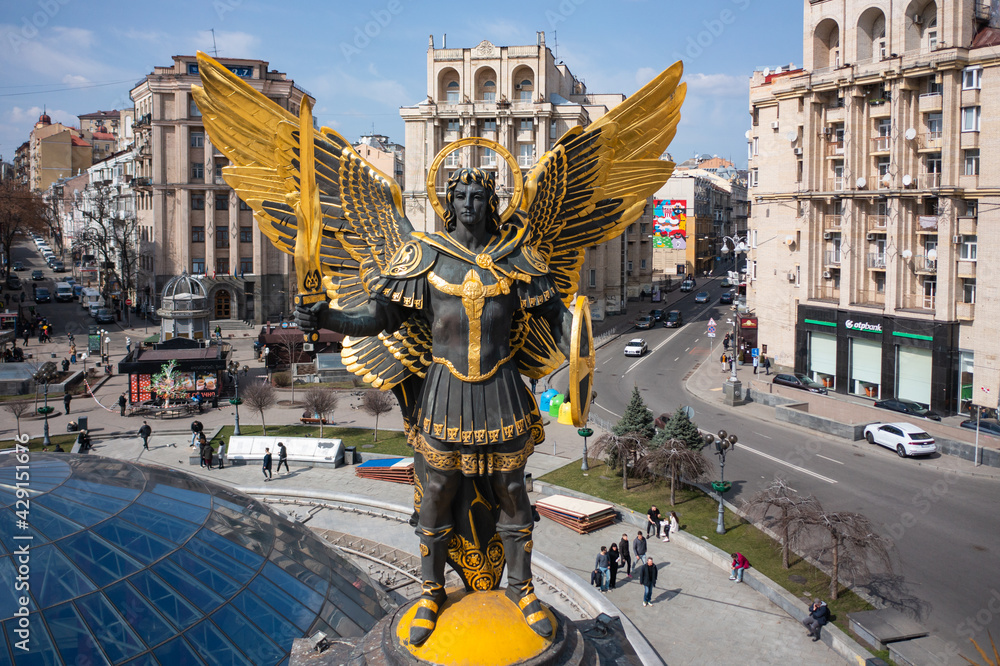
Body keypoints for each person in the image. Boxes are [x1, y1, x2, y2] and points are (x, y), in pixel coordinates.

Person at [294, 168, 577, 644]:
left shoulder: (516, 259)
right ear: (449, 202)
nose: (469, 205)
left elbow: (557, 315)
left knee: (512, 487)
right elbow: (380, 316)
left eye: (478, 196)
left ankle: (523, 589)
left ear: (492, 202)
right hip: (444, 390)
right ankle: (431, 592)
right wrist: (326, 316)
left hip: (502, 386)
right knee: (438, 488)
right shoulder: (423, 257)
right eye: (461, 196)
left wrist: (582, 354)